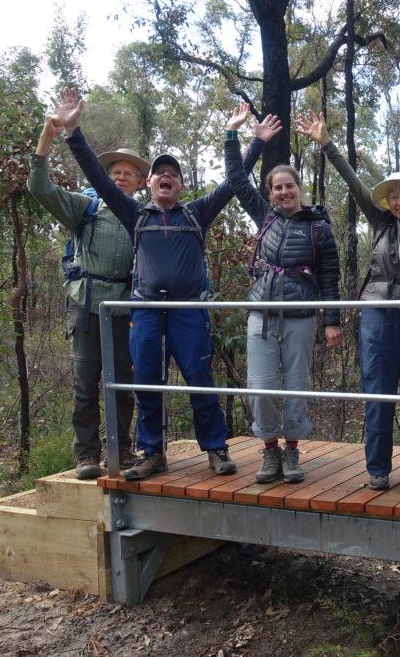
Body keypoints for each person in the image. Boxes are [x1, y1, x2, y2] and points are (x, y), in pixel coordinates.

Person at [58, 87, 258, 481]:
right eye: (160, 173)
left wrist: (247, 140)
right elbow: (98, 178)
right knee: (145, 382)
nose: (167, 177)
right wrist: (73, 134)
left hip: (188, 311)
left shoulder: (198, 211)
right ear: (149, 182)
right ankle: (151, 453)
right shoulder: (134, 213)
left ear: (181, 185)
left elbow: (235, 180)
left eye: (174, 174)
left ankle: (216, 450)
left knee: (201, 381)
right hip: (145, 310)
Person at [297, 110, 400, 491]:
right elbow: (353, 182)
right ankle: (377, 470)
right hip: (377, 314)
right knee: (378, 393)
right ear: (388, 201)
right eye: (395, 196)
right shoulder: (380, 220)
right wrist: (327, 145)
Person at [224, 105, 342, 484]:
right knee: (260, 387)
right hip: (262, 313)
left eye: (289, 185)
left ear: (298, 188)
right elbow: (237, 180)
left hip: (301, 317)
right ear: (271, 194)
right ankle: (269, 449)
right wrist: (242, 139)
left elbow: (329, 275)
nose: (284, 191)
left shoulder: (319, 227)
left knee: (296, 385)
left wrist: (332, 321)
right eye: (277, 187)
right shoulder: (266, 217)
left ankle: (292, 451)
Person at [27, 115, 145, 479]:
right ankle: (87, 455)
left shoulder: (145, 215)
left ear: (141, 182)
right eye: (115, 172)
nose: (121, 177)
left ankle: (122, 449)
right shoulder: (87, 207)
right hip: (86, 301)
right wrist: (47, 138)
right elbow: (39, 187)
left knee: (125, 383)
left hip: (126, 306)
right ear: (105, 176)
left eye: (129, 173)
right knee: (85, 381)